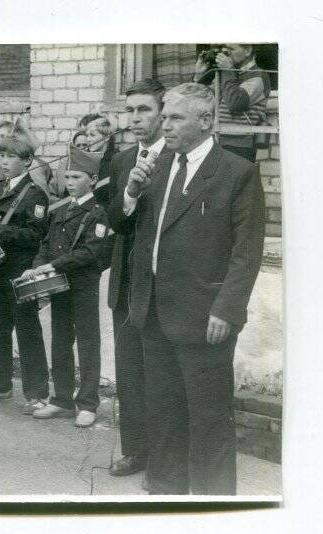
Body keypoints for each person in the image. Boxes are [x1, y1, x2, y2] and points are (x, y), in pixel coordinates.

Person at [107, 83, 265, 494]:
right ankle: (166, 496)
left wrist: (227, 309)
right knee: (163, 414)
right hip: (153, 313)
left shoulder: (236, 172)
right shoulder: (156, 167)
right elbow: (124, 228)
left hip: (204, 317)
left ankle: (215, 509)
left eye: (175, 117)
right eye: (166, 116)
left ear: (206, 121)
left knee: (209, 419)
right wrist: (131, 192)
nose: (165, 124)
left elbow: (246, 252)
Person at [23, 144, 111, 427]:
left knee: (87, 342)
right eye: (67, 177)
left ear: (92, 180)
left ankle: (87, 403)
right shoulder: (61, 211)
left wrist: (54, 265)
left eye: (76, 177)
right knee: (60, 341)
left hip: (83, 284)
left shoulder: (98, 213)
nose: (69, 183)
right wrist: (37, 265)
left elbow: (91, 253)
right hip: (59, 284)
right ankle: (62, 399)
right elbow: (47, 245)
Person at [106, 78, 167, 477]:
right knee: (129, 372)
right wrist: (128, 194)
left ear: (163, 112)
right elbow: (114, 219)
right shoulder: (122, 160)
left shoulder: (178, 159)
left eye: (144, 109)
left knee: (161, 375)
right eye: (130, 110)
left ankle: (165, 458)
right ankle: (135, 451)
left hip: (163, 286)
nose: (135, 118)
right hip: (127, 284)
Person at [0, 122, 50, 411]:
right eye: (1, 156)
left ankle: (37, 393)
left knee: (27, 330)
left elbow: (35, 236)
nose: (4, 163)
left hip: (20, 270)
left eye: (11, 157)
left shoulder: (35, 194)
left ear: (27, 161)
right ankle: (0, 386)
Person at [193, 44, 271, 162]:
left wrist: (228, 71)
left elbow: (235, 103)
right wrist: (198, 75)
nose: (224, 52)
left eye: (230, 49)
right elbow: (201, 102)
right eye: (223, 48)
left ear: (248, 51)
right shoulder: (226, 74)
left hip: (240, 145)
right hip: (216, 138)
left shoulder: (258, 75)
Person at [84, 116, 118, 210]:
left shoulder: (117, 160)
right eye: (87, 135)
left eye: (92, 135)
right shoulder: (85, 159)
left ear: (106, 137)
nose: (88, 139)